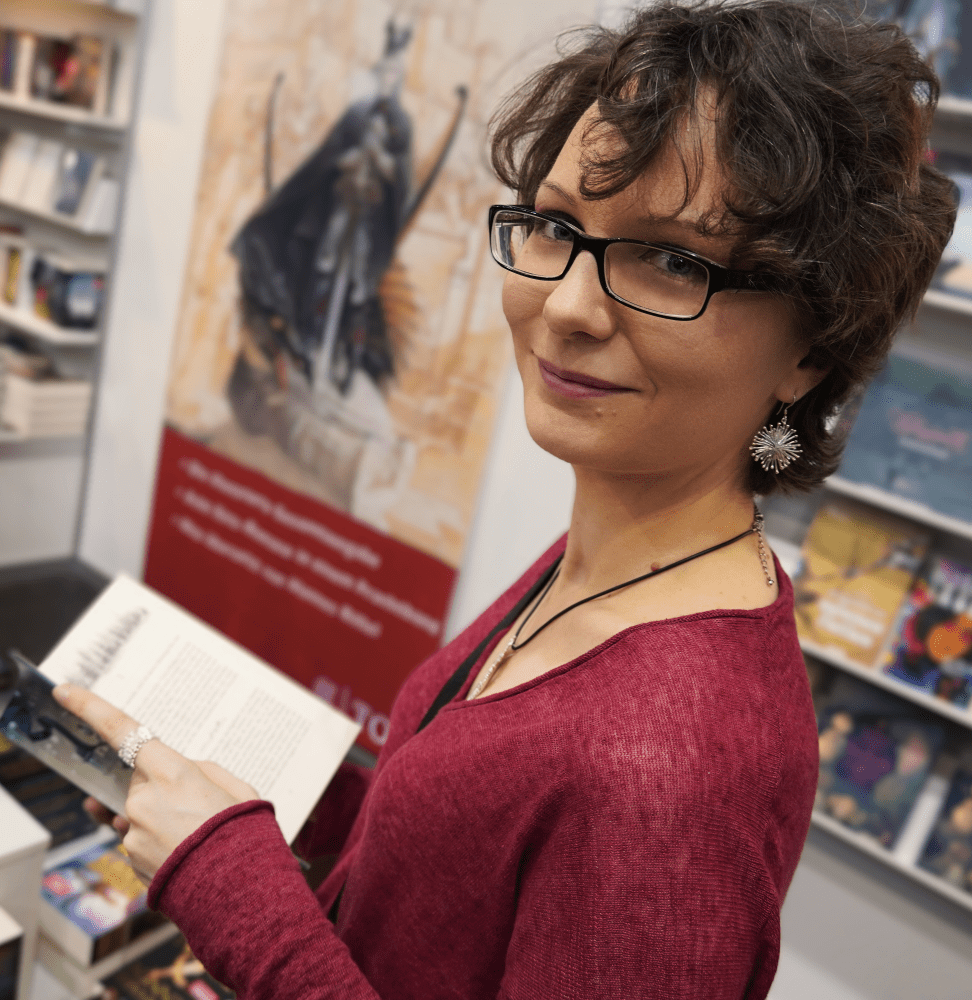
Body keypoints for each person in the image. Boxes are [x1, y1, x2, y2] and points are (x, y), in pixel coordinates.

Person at [54, 1, 956, 997]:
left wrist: (226, 880)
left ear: (813, 346)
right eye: (557, 225)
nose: (566, 306)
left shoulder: (674, 772)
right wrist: (269, 809)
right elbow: (462, 871)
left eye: (669, 260)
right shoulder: (619, 559)